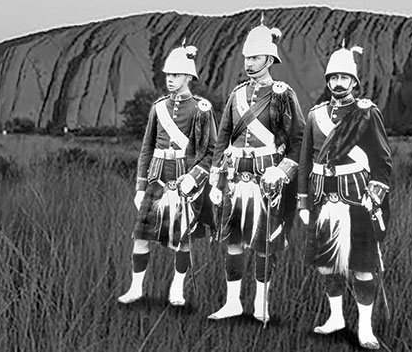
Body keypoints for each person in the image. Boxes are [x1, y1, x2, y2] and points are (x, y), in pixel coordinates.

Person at [207, 17, 305, 323]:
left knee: (264, 243)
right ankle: (232, 303)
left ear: (270, 60)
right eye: (247, 58)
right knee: (233, 242)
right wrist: (214, 178)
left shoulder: (282, 94)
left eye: (256, 58)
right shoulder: (236, 95)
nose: (249, 63)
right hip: (235, 179)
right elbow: (223, 137)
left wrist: (283, 172)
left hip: (267, 180)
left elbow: (298, 141)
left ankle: (261, 305)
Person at [297, 43, 392, 349]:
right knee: (328, 265)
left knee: (363, 267)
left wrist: (374, 195)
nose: (338, 83)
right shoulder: (315, 116)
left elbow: (382, 162)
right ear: (328, 81)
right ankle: (336, 317)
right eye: (334, 78)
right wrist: (303, 201)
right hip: (323, 200)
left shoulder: (367, 113)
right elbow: (306, 161)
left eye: (344, 77)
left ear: (353, 81)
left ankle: (365, 328)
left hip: (358, 200)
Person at [118, 41, 217, 306]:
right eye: (168, 75)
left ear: (188, 77)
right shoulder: (158, 107)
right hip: (157, 179)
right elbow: (146, 149)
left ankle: (177, 288)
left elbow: (211, 153)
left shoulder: (201, 109)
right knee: (141, 237)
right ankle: (136, 288)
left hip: (184, 181)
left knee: (182, 240)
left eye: (175, 75)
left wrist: (194, 177)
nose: (170, 79)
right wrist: (140, 187)